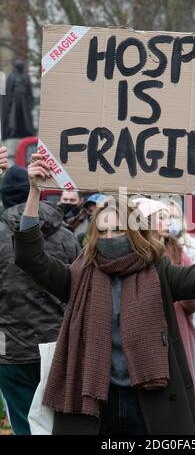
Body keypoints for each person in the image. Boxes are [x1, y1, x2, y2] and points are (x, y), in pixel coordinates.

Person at [13, 153, 195, 435]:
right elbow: (31, 258)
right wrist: (35, 191)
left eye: (116, 229)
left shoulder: (158, 271)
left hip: (148, 402)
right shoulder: (79, 275)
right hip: (93, 402)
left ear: (133, 233)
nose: (108, 236)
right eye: (101, 230)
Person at [0, 161, 81, 435]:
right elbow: (80, 291)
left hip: (12, 349)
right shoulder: (67, 237)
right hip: (58, 344)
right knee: (61, 421)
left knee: (24, 423)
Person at [134, 197, 195, 429]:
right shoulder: (134, 256)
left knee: (180, 388)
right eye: (161, 217)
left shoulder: (178, 252)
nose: (168, 222)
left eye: (169, 216)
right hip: (146, 334)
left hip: (178, 331)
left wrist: (183, 288)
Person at [167, 199, 195, 378]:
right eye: (165, 217)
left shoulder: (191, 246)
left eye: (174, 216)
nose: (170, 221)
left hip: (188, 315)